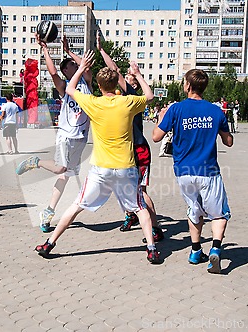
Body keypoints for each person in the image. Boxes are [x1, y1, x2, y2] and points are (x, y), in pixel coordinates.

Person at [34, 52, 161, 264]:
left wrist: (82, 67)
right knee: (139, 208)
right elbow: (149, 96)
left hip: (101, 168)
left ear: (100, 87)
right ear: (116, 87)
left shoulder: (93, 102)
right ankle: (151, 249)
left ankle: (50, 243)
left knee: (76, 206)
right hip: (125, 167)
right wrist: (137, 75)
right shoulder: (127, 102)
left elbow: (70, 89)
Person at [152, 69, 233, 273]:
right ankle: (215, 249)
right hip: (208, 170)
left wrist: (160, 117)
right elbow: (228, 142)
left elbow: (155, 137)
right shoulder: (215, 111)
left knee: (194, 210)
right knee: (219, 213)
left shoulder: (176, 109)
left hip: (184, 171)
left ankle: (195, 251)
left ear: (188, 85)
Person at [15, 34, 92, 233]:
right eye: (69, 66)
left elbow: (86, 67)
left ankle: (48, 211)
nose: (74, 67)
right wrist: (46, 49)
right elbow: (52, 72)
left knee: (65, 176)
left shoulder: (87, 84)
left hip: (81, 137)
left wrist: (69, 52)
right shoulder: (65, 87)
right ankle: (36, 161)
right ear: (66, 71)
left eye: (74, 65)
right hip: (66, 135)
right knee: (60, 169)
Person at [96, 31, 163, 241]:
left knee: (140, 192)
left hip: (139, 149)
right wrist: (101, 50)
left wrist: (102, 51)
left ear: (133, 83)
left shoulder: (133, 96)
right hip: (125, 151)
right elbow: (114, 70)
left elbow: (114, 70)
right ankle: (131, 216)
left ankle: (156, 227)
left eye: (129, 76)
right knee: (124, 187)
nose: (124, 77)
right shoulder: (124, 96)